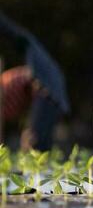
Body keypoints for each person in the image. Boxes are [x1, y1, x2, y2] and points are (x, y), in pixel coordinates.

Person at [0, 11, 69, 151]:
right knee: (34, 142)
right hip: (44, 88)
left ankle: (37, 161)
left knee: (33, 143)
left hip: (43, 88)